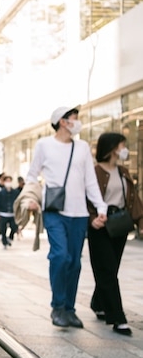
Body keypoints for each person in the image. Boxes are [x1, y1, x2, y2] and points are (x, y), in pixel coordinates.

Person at [26, 106, 107, 329]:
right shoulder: (44, 144)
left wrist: (101, 207)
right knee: (60, 256)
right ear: (62, 122)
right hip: (54, 211)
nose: (78, 122)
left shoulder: (82, 147)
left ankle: (69, 310)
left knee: (74, 263)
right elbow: (31, 175)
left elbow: (90, 180)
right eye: (75, 118)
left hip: (79, 214)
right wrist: (31, 200)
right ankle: (57, 306)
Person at [86, 132, 143, 336]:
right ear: (112, 147)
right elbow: (85, 198)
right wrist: (91, 218)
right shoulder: (94, 172)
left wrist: (140, 222)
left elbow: (133, 199)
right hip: (99, 226)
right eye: (122, 145)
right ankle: (118, 318)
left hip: (119, 226)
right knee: (107, 270)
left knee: (109, 270)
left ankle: (97, 302)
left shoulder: (123, 171)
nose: (124, 149)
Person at [0, 175, 20, 248]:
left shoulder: (15, 192)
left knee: (14, 227)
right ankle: (4, 242)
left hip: (12, 214)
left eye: (10, 181)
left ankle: (10, 238)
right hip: (3, 213)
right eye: (7, 181)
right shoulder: (0, 192)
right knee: (3, 229)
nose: (8, 183)